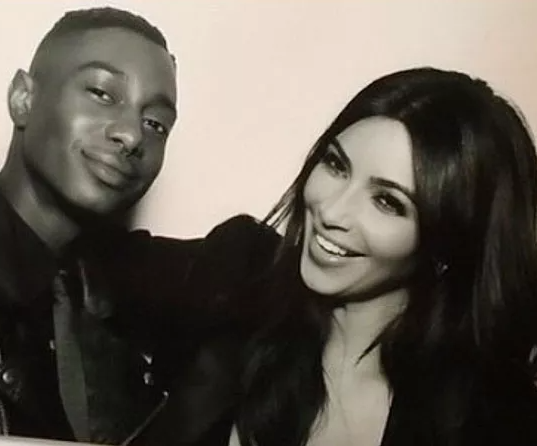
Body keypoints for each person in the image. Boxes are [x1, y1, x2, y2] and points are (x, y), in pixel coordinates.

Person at [138, 67, 537, 446]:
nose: (331, 211)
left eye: (387, 201)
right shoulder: (236, 278)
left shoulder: (491, 422)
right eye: (335, 164)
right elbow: (107, 265)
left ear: (448, 243)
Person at [0, 6, 212, 444]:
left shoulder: (110, 296)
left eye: (155, 123)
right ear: (23, 98)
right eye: (102, 93)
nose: (132, 135)